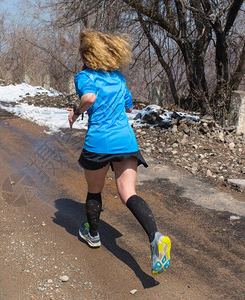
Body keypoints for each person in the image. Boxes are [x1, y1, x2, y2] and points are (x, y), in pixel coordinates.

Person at [67, 30, 171, 275]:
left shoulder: (83, 76)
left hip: (99, 144)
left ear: (85, 53)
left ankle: (93, 234)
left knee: (95, 190)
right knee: (128, 193)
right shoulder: (118, 77)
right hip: (125, 140)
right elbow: (129, 106)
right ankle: (155, 237)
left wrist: (76, 111)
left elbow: (89, 98)